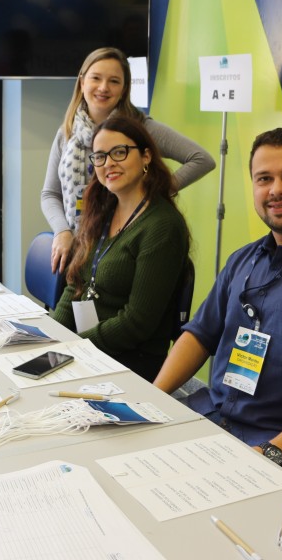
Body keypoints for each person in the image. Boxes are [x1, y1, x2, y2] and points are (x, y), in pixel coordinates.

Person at [153, 127, 282, 496]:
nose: (276, 190)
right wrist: (153, 398)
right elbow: (199, 334)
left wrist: (271, 453)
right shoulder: (243, 259)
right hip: (213, 418)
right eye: (264, 179)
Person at [41, 47, 214, 273]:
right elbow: (50, 194)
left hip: (123, 254)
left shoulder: (142, 128)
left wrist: (157, 190)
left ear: (124, 89)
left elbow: (202, 159)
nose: (104, 87)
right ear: (82, 82)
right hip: (77, 250)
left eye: (114, 81)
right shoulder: (67, 132)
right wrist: (62, 231)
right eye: (96, 78)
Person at [52, 116, 190, 382]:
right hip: (90, 349)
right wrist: (54, 338)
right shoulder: (103, 212)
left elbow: (136, 323)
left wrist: (73, 346)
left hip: (130, 361)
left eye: (119, 152)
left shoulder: (162, 226)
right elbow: (76, 286)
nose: (109, 163)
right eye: (100, 156)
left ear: (146, 156)